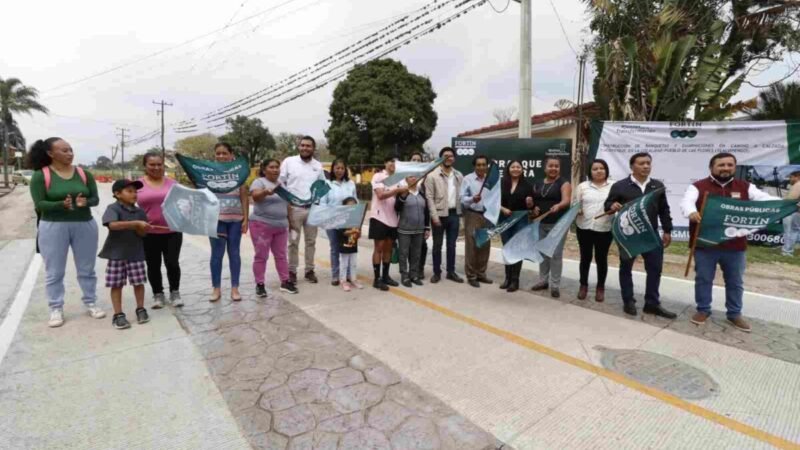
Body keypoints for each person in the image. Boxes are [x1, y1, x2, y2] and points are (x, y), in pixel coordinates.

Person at [681, 153, 784, 332]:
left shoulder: (745, 187)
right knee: (703, 279)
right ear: (712, 167)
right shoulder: (698, 186)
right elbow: (686, 202)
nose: (726, 168)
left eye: (730, 165)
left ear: (734, 168)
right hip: (706, 244)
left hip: (735, 246)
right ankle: (703, 310)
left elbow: (766, 200)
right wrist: (690, 212)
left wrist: (788, 203)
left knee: (735, 281)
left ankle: (734, 314)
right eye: (721, 165)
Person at [28, 137, 105, 328]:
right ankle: (56, 307)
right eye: (64, 150)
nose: (69, 153)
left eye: (70, 150)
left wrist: (85, 202)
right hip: (53, 226)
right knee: (54, 271)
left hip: (84, 224)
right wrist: (59, 205)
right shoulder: (41, 175)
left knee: (87, 269)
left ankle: (90, 302)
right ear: (50, 153)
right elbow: (39, 204)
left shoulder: (84, 173)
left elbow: (95, 198)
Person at [605, 152, 677, 319]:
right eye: (641, 163)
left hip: (651, 235)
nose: (646, 166)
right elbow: (607, 205)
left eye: (648, 163)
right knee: (626, 269)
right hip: (629, 236)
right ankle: (628, 301)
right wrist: (612, 205)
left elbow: (664, 209)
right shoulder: (620, 186)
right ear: (632, 166)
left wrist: (667, 230)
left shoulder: (657, 186)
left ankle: (652, 303)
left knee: (655, 269)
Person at [98, 179, 151, 330]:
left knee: (138, 282)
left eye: (136, 191)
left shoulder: (140, 211)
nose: (134, 194)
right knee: (116, 284)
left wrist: (143, 228)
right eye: (129, 191)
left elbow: (141, 234)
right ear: (117, 194)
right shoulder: (113, 208)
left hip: (136, 252)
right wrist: (135, 224)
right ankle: (118, 314)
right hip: (117, 254)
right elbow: (112, 225)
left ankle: (141, 309)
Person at [138, 152, 183, 309]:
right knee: (153, 265)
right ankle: (158, 294)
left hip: (173, 231)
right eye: (152, 164)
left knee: (172, 263)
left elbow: (184, 203)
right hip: (148, 233)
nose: (156, 167)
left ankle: (175, 293)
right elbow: (128, 206)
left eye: (159, 164)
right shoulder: (137, 185)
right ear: (145, 166)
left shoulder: (173, 184)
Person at [279, 136, 325, 284]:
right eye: (303, 145)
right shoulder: (289, 162)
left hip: (312, 210)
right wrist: (287, 202)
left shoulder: (318, 166)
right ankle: (291, 271)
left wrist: (319, 205)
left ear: (313, 148)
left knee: (311, 241)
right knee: (293, 242)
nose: (305, 148)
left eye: (308, 146)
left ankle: (309, 270)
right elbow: (280, 182)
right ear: (298, 147)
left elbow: (322, 186)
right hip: (294, 210)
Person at [250, 158, 298, 297]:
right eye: (271, 167)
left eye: (277, 167)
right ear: (264, 169)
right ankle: (260, 285)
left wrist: (291, 222)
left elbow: (287, 204)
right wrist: (265, 192)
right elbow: (255, 197)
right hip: (261, 225)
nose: (275, 169)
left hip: (281, 226)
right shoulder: (259, 182)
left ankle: (285, 281)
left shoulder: (282, 184)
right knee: (261, 256)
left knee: (281, 255)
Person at [209, 143, 249, 302]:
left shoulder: (239, 173)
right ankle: (216, 289)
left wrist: (246, 218)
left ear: (231, 155)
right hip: (216, 221)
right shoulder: (208, 174)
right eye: (218, 153)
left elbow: (244, 196)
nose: (221, 156)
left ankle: (235, 288)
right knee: (216, 256)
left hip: (235, 220)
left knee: (234, 254)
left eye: (224, 153)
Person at [531, 156, 572, 298]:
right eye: (551, 166)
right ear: (545, 168)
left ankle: (555, 285)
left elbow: (566, 200)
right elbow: (535, 202)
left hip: (558, 224)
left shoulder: (564, 182)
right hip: (540, 224)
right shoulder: (537, 183)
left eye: (556, 166)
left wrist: (559, 205)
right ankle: (543, 281)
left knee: (555, 255)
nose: (554, 168)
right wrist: (534, 208)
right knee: (542, 253)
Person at [575, 159, 613, 302]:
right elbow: (575, 203)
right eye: (595, 168)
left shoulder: (614, 186)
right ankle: (583, 286)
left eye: (602, 168)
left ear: (606, 170)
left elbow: (617, 203)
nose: (598, 171)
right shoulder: (583, 186)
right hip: (584, 227)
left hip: (604, 228)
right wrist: (577, 209)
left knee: (601, 259)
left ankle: (600, 288)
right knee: (585, 258)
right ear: (590, 171)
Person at [424, 147, 464, 283]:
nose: (448, 158)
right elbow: (429, 198)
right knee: (437, 245)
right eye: (445, 155)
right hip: (439, 214)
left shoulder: (459, 175)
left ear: (454, 158)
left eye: (451, 156)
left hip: (454, 214)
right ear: (441, 158)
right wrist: (434, 217)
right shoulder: (432, 176)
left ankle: (451, 272)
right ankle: (436, 272)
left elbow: (462, 196)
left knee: (452, 245)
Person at [369, 156, 408, 290]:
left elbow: (404, 195)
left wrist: (405, 193)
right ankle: (377, 279)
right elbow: (380, 195)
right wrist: (397, 190)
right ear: (385, 163)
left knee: (388, 249)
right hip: (379, 217)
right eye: (391, 161)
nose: (393, 164)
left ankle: (385, 276)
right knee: (378, 248)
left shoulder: (400, 178)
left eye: (396, 162)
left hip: (392, 218)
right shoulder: (379, 176)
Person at [499, 160, 534, 292]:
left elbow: (530, 206)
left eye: (518, 167)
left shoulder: (527, 185)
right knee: (507, 248)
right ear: (508, 169)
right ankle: (507, 278)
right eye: (513, 167)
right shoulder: (502, 183)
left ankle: (515, 280)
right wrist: (503, 209)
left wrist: (530, 203)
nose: (515, 169)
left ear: (522, 169)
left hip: (520, 220)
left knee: (517, 249)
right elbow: (494, 200)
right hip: (505, 219)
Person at [460, 154, 494, 288]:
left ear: (487, 166)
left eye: (483, 164)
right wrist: (472, 199)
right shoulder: (467, 179)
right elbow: (462, 199)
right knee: (472, 246)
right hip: (472, 214)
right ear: (475, 166)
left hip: (487, 215)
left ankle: (481, 274)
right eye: (478, 165)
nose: (481, 167)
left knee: (484, 245)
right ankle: (471, 275)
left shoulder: (490, 180)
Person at [323, 159, 357, 286]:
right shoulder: (326, 184)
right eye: (337, 168)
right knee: (335, 248)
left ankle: (347, 274)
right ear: (332, 169)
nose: (339, 170)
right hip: (332, 221)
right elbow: (323, 203)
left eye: (342, 168)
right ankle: (335, 275)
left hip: (348, 221)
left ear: (345, 170)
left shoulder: (351, 184)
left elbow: (355, 201)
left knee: (348, 248)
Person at [395, 176, 430, 287]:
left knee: (416, 253)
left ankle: (414, 275)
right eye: (410, 177)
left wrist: (427, 228)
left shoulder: (421, 193)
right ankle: (404, 276)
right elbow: (396, 208)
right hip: (404, 229)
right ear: (406, 179)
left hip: (419, 230)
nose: (413, 179)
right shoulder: (402, 192)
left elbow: (426, 211)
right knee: (403, 253)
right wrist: (403, 197)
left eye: (415, 177)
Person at [337, 197, 364, 292]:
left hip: (353, 245)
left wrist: (358, 233)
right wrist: (352, 231)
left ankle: (353, 279)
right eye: (349, 206)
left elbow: (358, 233)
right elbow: (341, 232)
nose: (352, 208)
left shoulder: (356, 219)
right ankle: (343, 280)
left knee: (353, 263)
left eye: (354, 206)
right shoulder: (341, 218)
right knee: (344, 264)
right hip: (343, 245)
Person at [410, 151, 428, 277]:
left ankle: (420, 268)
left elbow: (427, 203)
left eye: (418, 160)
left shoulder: (426, 178)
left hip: (421, 218)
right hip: (407, 218)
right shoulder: (404, 177)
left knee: (422, 245)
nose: (416, 161)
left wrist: (427, 226)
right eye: (413, 159)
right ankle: (412, 269)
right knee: (408, 246)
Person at [781, 170, 800, 257]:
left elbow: (791, 199)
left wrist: (782, 201)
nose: (790, 179)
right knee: (794, 230)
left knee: (789, 231)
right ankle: (788, 250)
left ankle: (787, 251)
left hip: (792, 211)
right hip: (796, 211)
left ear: (797, 177)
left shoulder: (798, 184)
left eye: (791, 177)